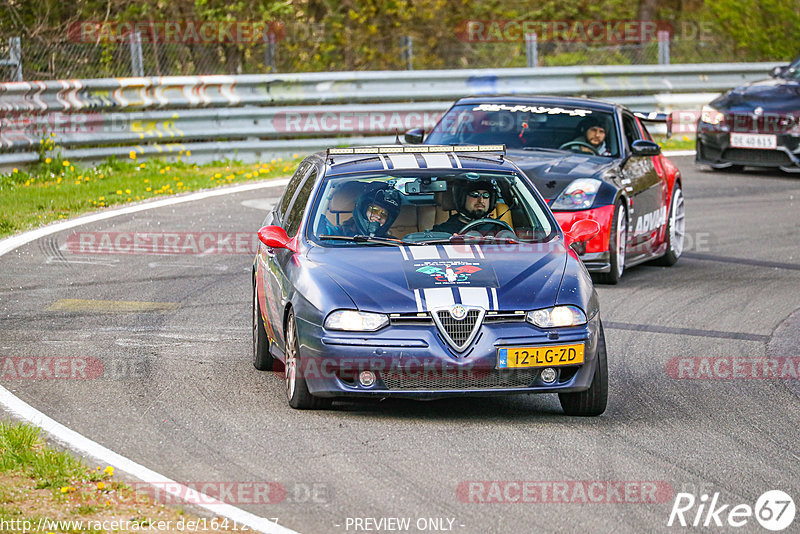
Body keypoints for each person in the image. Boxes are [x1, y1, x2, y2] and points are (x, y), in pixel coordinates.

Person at [432, 180, 497, 234]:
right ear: (462, 199)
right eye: (474, 194)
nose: (481, 200)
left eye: (486, 195)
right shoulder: (444, 231)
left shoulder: (498, 229)